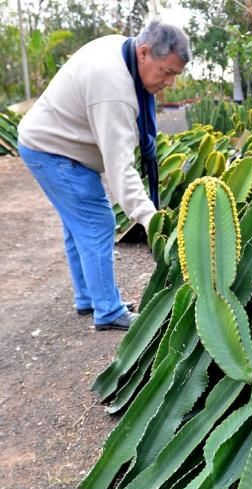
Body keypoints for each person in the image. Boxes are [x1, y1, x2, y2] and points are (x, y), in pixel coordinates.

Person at [18, 21, 191, 330]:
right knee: (97, 222)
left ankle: (89, 298)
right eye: (166, 72)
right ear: (144, 52)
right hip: (53, 149)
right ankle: (108, 311)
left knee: (78, 226)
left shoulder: (125, 53)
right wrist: (153, 222)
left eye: (174, 75)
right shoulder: (113, 90)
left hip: (50, 141)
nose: (170, 84)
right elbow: (120, 168)